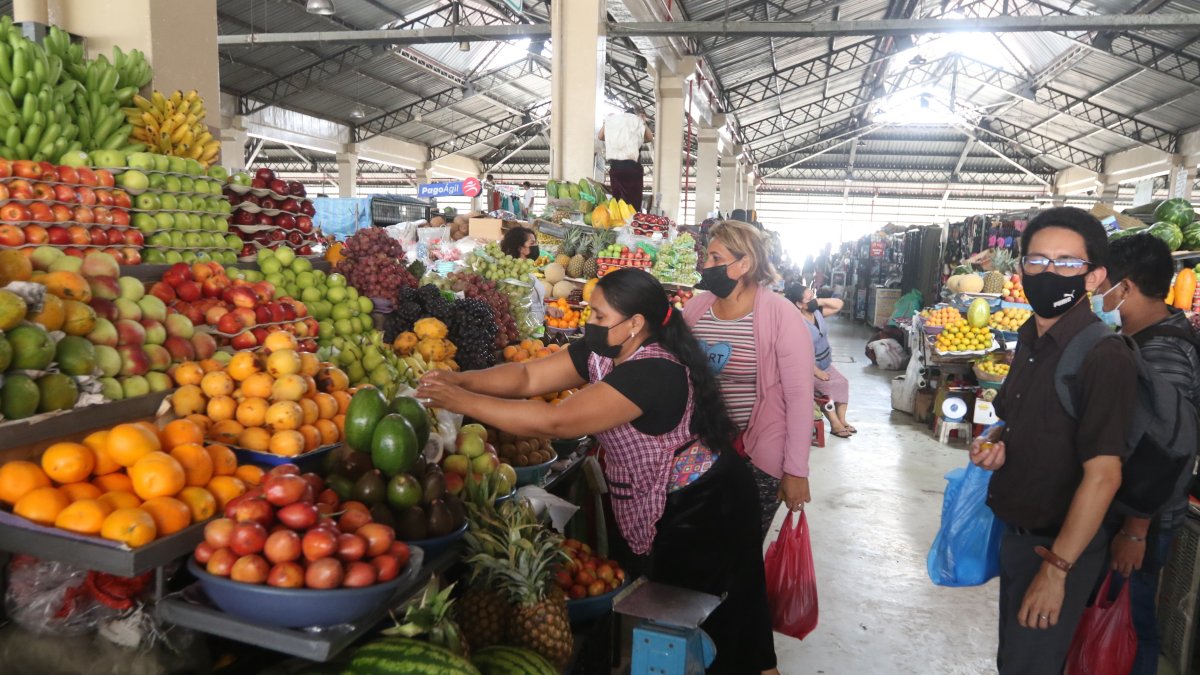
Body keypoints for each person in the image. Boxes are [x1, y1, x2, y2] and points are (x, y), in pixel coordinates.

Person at [416, 268, 779, 674]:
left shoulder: (654, 371)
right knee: (710, 617)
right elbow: (527, 375)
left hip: (709, 504)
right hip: (674, 496)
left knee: (723, 621)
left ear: (635, 324)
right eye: (590, 311)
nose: (590, 322)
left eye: (600, 316)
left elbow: (556, 421)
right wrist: (459, 379)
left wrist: (461, 400)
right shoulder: (605, 351)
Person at [970, 207, 1137, 675]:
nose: (1049, 272)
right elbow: (1017, 421)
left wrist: (1056, 570)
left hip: (1059, 547)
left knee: (1030, 666)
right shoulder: (1030, 339)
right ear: (1021, 267)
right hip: (1020, 536)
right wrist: (995, 443)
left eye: (1067, 262)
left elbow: (1104, 476)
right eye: (1037, 260)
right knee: (1016, 661)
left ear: (1094, 276)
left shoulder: (1102, 356)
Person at [1094, 233, 1200, 675]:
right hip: (1125, 509)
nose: (1099, 293)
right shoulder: (1140, 336)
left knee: (1130, 621)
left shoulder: (1164, 353)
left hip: (1143, 518)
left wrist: (1135, 530)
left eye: (1103, 284)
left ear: (1127, 287)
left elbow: (1164, 448)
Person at [683, 220, 815, 538]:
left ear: (745, 263)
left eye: (716, 258)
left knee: (740, 547)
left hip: (757, 453)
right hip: (699, 449)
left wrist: (796, 470)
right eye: (707, 258)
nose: (707, 265)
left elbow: (799, 397)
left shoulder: (780, 315)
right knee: (699, 544)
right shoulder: (695, 309)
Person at [785, 283, 853, 438]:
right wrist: (816, 372)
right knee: (825, 389)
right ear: (798, 304)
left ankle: (842, 420)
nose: (813, 301)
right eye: (810, 299)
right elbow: (798, 354)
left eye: (813, 297)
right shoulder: (795, 322)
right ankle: (835, 424)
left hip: (825, 363)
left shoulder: (817, 312)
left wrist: (819, 301)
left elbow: (839, 304)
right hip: (807, 368)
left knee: (842, 383)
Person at [598, 108, 652, 210]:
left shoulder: (617, 133)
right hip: (633, 170)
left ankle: (621, 221)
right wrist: (643, 123)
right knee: (634, 201)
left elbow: (600, 136)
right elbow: (650, 138)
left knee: (619, 202)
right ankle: (632, 221)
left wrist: (608, 122)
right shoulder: (635, 132)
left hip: (617, 169)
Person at [499, 226, 546, 327]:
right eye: (532, 243)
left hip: (537, 328)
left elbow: (534, 303)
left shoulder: (528, 272)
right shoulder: (513, 278)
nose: (536, 246)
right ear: (520, 248)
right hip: (525, 331)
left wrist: (547, 309)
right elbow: (518, 307)